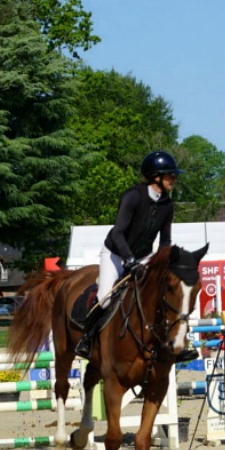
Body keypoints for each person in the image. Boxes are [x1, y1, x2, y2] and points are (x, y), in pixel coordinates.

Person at [74, 151, 199, 363]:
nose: (174, 179)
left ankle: (175, 342)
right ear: (156, 176)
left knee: (163, 293)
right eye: (171, 175)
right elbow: (117, 232)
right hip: (115, 253)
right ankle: (87, 338)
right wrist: (129, 261)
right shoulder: (133, 196)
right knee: (105, 299)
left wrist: (164, 262)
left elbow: (165, 241)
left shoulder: (167, 205)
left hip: (144, 256)